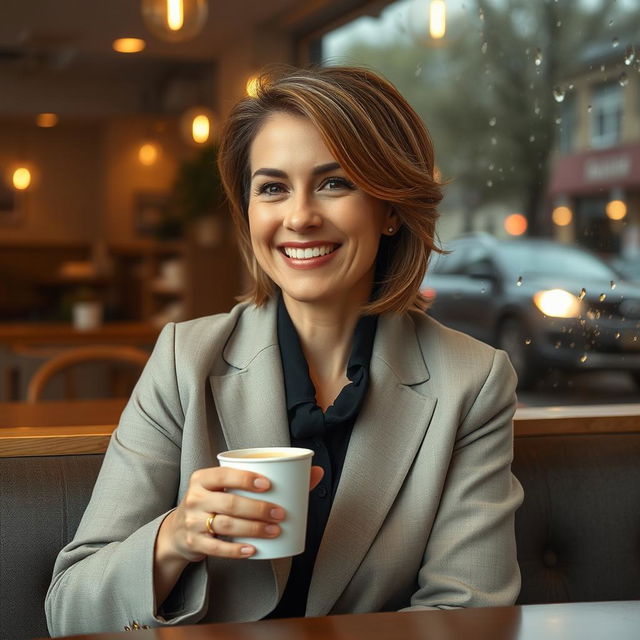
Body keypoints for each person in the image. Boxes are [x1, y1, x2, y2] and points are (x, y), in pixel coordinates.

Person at [45, 65, 523, 636]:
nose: (299, 217)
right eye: (272, 188)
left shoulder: (472, 380)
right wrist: (174, 538)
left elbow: (471, 616)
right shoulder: (183, 359)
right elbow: (69, 610)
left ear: (391, 208)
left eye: (334, 182)